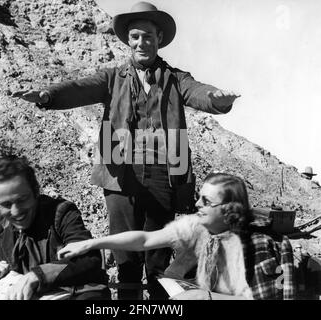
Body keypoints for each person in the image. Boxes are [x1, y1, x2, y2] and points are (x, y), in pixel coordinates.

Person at [13, 2, 240, 299]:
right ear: (128, 40)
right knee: (125, 256)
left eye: (147, 36)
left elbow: (199, 93)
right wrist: (48, 95)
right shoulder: (113, 78)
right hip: (120, 177)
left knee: (157, 255)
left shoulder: (176, 78)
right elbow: (80, 88)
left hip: (164, 175)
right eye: (135, 37)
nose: (141, 43)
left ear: (159, 38)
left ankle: (159, 304)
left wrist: (218, 99)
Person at [58, 173, 296, 300]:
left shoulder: (257, 245)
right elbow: (145, 240)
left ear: (228, 210)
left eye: (206, 201)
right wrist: (91, 242)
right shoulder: (198, 225)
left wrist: (204, 297)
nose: (196, 204)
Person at [0, 156, 110, 300]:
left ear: (35, 192)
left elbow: (88, 259)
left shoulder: (61, 213)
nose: (16, 211)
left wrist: (37, 276)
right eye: (5, 204)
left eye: (22, 200)